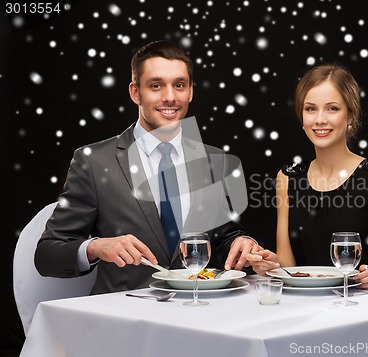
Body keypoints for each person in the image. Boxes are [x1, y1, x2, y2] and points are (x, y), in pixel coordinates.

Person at [34, 40, 259, 294]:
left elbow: (223, 238)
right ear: (135, 92)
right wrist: (95, 246)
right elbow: (47, 254)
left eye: (179, 85)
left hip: (199, 315)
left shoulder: (212, 160)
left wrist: (242, 244)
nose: (170, 97)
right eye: (156, 86)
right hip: (124, 320)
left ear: (191, 91)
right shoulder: (93, 162)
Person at [247, 63, 368, 290]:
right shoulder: (287, 178)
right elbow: (288, 263)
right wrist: (271, 265)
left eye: (332, 108)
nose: (320, 119)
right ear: (302, 117)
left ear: (350, 116)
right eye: (310, 109)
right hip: (311, 304)